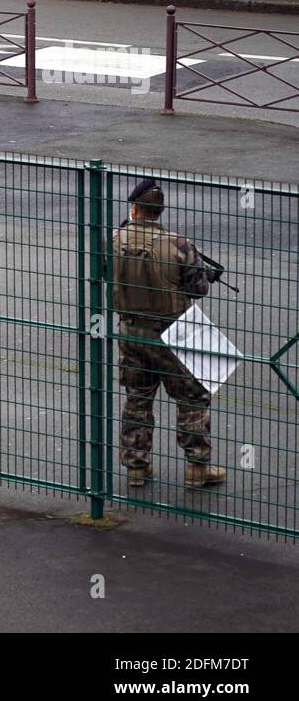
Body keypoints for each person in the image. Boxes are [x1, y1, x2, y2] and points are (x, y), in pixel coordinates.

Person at [111, 178, 225, 488]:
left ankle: (136, 467)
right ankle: (197, 467)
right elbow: (198, 289)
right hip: (174, 333)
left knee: (137, 398)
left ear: (134, 208)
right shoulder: (180, 245)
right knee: (192, 398)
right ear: (159, 211)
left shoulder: (113, 240)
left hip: (132, 332)